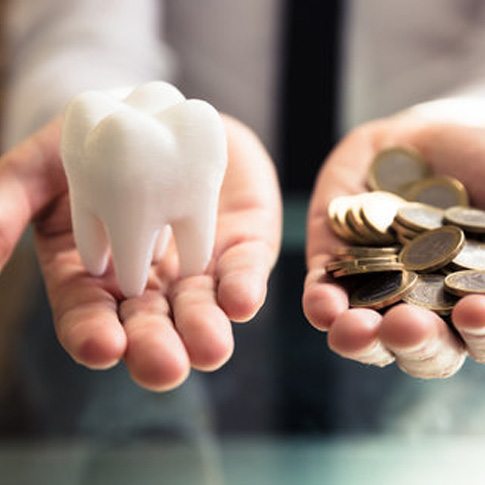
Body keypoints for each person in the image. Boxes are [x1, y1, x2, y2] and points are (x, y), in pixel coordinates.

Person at [3, 0, 485, 397]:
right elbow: (78, 31)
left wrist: (466, 121)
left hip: (404, 162)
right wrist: (103, 118)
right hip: (172, 147)